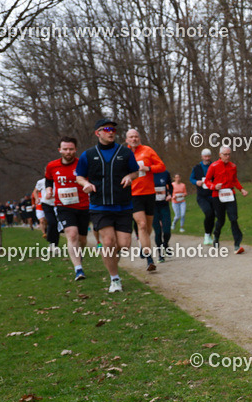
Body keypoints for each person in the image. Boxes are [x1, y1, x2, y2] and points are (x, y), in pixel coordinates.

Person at [74, 118, 140, 293]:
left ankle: (109, 256)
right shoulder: (88, 155)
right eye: (107, 129)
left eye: (113, 129)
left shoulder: (125, 152)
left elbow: (135, 171)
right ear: (98, 133)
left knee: (124, 245)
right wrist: (85, 184)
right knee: (109, 241)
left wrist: (130, 177)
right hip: (100, 205)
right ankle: (115, 279)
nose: (111, 132)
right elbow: (79, 175)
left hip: (123, 204)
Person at [46, 136, 91, 280]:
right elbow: (48, 179)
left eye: (71, 149)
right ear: (60, 150)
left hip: (83, 206)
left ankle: (79, 255)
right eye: (65, 149)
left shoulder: (83, 164)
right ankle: (78, 269)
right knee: (72, 234)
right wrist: (48, 190)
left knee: (82, 240)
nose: (68, 152)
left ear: (76, 149)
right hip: (63, 206)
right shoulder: (52, 166)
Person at [125, 129, 166, 271]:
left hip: (149, 193)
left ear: (139, 138)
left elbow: (161, 166)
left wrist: (148, 168)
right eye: (131, 137)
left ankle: (143, 246)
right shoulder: (124, 154)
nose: (134, 139)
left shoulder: (148, 150)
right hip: (133, 194)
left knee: (148, 228)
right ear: (127, 140)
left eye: (136, 136)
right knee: (141, 225)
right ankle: (149, 259)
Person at [204, 145, 247, 253]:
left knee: (233, 218)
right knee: (221, 220)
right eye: (225, 154)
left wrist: (241, 189)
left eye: (228, 154)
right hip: (217, 196)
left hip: (230, 194)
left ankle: (237, 244)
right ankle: (216, 236)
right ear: (220, 155)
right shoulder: (213, 166)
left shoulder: (233, 166)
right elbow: (207, 181)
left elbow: (235, 180)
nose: (227, 157)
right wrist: (214, 186)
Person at [190, 149, 217, 246]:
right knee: (208, 213)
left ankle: (211, 235)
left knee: (214, 215)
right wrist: (196, 182)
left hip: (214, 195)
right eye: (205, 156)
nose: (207, 158)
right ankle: (207, 235)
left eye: (209, 156)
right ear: (202, 157)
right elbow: (191, 178)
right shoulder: (196, 167)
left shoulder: (215, 166)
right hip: (202, 196)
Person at [152, 168, 174, 260]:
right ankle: (160, 254)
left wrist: (170, 195)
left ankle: (165, 244)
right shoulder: (146, 174)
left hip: (164, 205)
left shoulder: (165, 173)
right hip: (152, 206)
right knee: (157, 231)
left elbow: (170, 186)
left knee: (167, 230)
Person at [34, 176, 60, 249]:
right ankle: (49, 238)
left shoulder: (58, 180)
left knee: (57, 224)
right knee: (52, 222)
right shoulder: (41, 181)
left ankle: (54, 244)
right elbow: (35, 191)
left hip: (58, 204)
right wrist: (36, 199)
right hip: (46, 204)